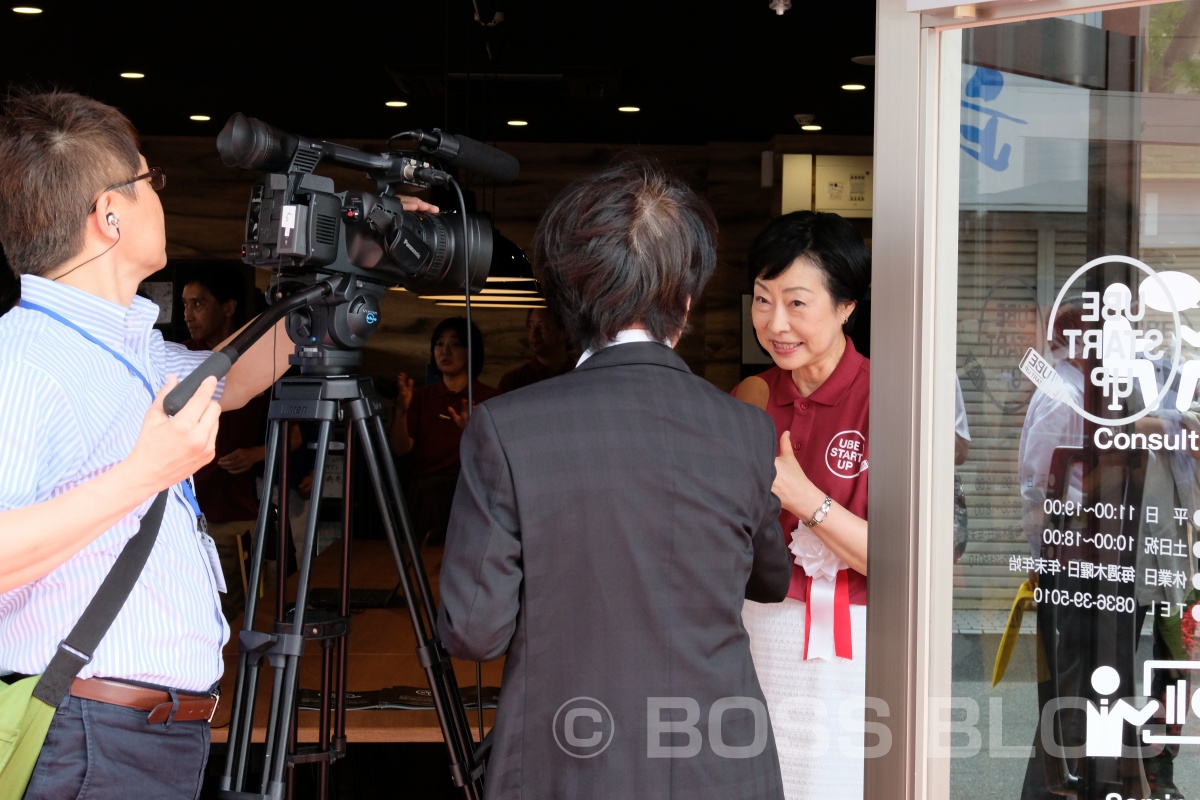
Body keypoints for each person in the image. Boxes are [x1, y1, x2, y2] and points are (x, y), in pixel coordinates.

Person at [0, 88, 433, 799]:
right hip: (88, 734)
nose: (157, 196)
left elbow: (230, 380)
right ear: (109, 215)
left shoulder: (128, 347)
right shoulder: (21, 359)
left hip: (146, 733)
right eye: (149, 181)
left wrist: (360, 256)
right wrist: (143, 474)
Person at [437, 159, 791, 799]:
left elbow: (473, 631)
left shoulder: (507, 428)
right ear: (685, 299)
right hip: (722, 765)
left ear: (567, 299)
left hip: (568, 763)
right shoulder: (746, 430)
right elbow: (770, 579)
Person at [731, 210, 872, 799]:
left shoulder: (888, 398)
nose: (775, 323)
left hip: (856, 643)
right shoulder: (751, 397)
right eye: (763, 301)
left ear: (846, 307)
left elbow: (909, 562)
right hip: (757, 631)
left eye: (797, 303)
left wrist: (802, 497)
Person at [179, 264, 271, 620]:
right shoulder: (181, 356)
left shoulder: (260, 363)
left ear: (228, 307)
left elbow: (293, 437)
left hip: (235, 515)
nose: (188, 315)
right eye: (185, 305)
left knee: (235, 613)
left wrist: (255, 454)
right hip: (184, 514)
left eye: (198, 304)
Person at [388, 316, 499, 545]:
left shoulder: (490, 399)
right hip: (426, 496)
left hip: (472, 494)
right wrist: (400, 412)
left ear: (471, 351)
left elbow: (498, 460)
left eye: (455, 344)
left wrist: (473, 434)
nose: (445, 351)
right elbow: (400, 449)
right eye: (439, 344)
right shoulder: (420, 397)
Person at [497, 306, 575, 392]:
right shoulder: (513, 381)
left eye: (542, 326)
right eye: (531, 326)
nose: (534, 333)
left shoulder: (580, 375)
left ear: (565, 331)